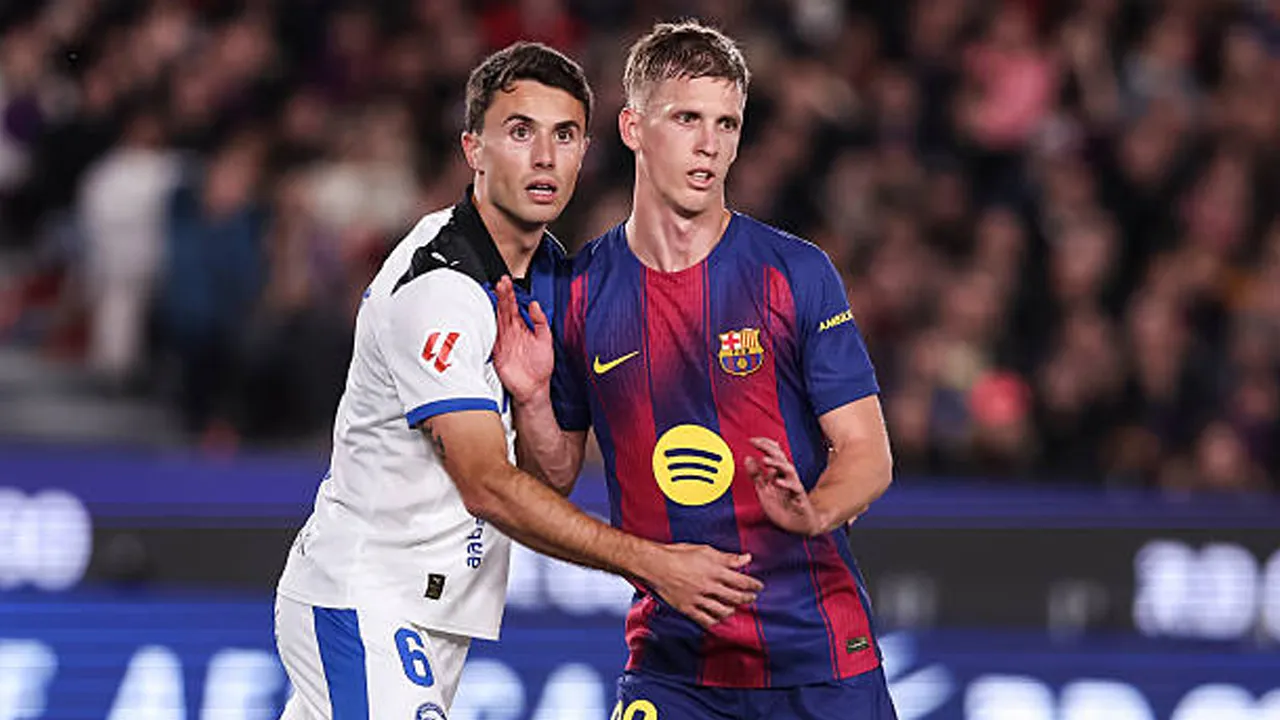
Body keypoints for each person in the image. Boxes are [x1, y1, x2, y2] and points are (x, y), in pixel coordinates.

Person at [273, 41, 762, 720]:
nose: (543, 158)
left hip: (432, 612)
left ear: (585, 152)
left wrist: (532, 398)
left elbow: (547, 476)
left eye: (563, 135)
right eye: (519, 132)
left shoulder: (549, 275)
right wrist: (651, 564)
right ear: (473, 149)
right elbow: (486, 485)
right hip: (367, 600)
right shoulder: (441, 287)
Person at [493, 22, 898, 719]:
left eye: (727, 123)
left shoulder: (793, 274)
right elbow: (553, 477)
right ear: (633, 127)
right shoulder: (577, 290)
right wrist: (530, 399)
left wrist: (816, 510)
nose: (710, 143)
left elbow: (868, 452)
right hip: (673, 666)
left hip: (818, 659)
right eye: (687, 118)